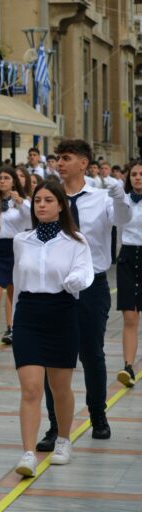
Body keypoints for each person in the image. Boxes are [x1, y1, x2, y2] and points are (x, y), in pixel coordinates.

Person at [37, 139, 131, 451]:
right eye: (58, 158)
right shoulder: (51, 197)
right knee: (53, 357)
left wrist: (119, 195)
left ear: (83, 163)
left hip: (92, 285)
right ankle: (55, 425)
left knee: (91, 354)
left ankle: (98, 415)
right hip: (55, 287)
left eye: (66, 158)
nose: (60, 163)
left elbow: (123, 220)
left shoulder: (102, 197)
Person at [13, 181, 94, 476]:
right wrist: (13, 320)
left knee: (60, 389)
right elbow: (18, 281)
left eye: (48, 200)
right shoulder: (21, 240)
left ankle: (63, 439)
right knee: (31, 388)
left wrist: (75, 280)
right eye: (38, 200)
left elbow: (84, 272)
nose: (42, 205)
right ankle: (28, 454)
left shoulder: (76, 241)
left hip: (61, 312)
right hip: (28, 314)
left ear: (61, 205)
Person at [0, 167, 31, 350]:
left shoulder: (22, 201)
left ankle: (14, 329)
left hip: (15, 248)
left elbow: (31, 219)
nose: (2, 181)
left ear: (14, 181)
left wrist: (20, 202)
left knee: (15, 292)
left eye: (6, 178)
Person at [115, 160, 142, 388]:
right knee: (130, 316)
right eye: (134, 174)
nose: (137, 177)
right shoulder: (122, 201)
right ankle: (128, 367)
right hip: (127, 257)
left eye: (141, 174)